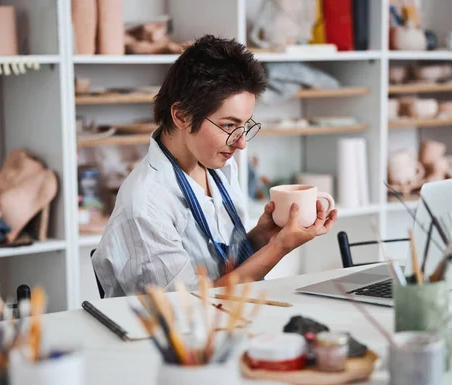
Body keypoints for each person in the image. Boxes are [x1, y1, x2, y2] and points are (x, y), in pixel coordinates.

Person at [92, 35, 338, 297]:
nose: (241, 143)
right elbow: (187, 304)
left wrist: (262, 236)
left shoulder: (218, 166)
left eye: (244, 126)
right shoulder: (146, 205)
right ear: (182, 116)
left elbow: (222, 265)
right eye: (229, 126)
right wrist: (279, 248)